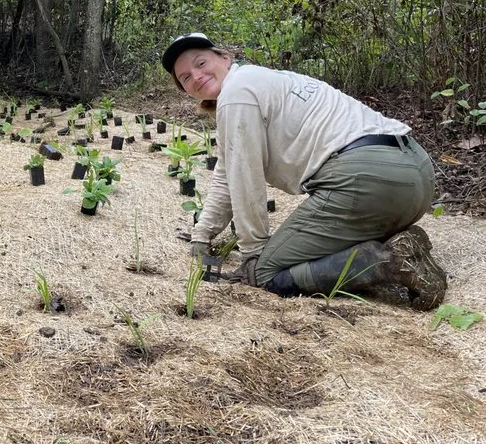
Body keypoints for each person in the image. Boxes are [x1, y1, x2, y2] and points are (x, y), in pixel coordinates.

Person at [161, 32, 447, 310]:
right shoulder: (261, 80)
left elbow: (244, 178)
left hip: (367, 179)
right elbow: (226, 171)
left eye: (200, 63)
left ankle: (388, 260)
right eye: (185, 77)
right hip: (417, 174)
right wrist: (202, 234)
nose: (196, 76)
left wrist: (253, 251)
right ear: (184, 90)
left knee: (266, 273)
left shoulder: (237, 93)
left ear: (224, 57)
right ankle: (400, 243)